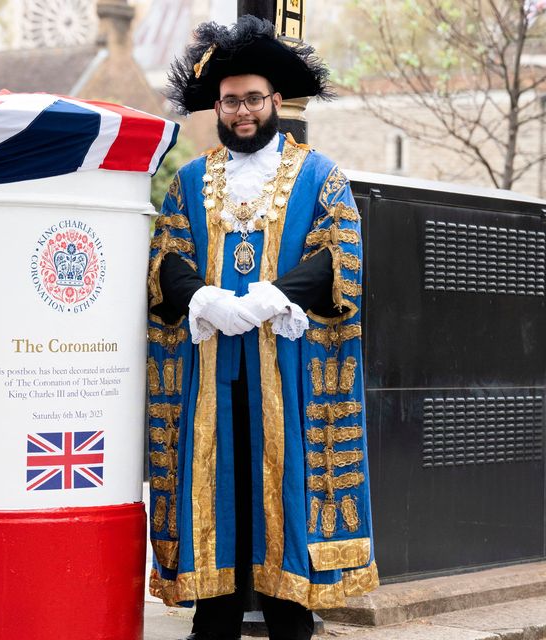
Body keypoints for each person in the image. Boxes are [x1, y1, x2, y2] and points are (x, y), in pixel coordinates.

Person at [146, 17, 378, 640]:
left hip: (290, 376)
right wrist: (205, 298)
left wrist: (276, 294)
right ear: (215, 107)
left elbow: (342, 254)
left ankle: (291, 624)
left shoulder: (320, 173)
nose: (241, 111)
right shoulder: (192, 179)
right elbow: (165, 261)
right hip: (210, 380)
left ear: (276, 101)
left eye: (252, 99)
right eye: (230, 101)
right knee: (216, 499)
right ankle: (212, 625)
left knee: (286, 501)